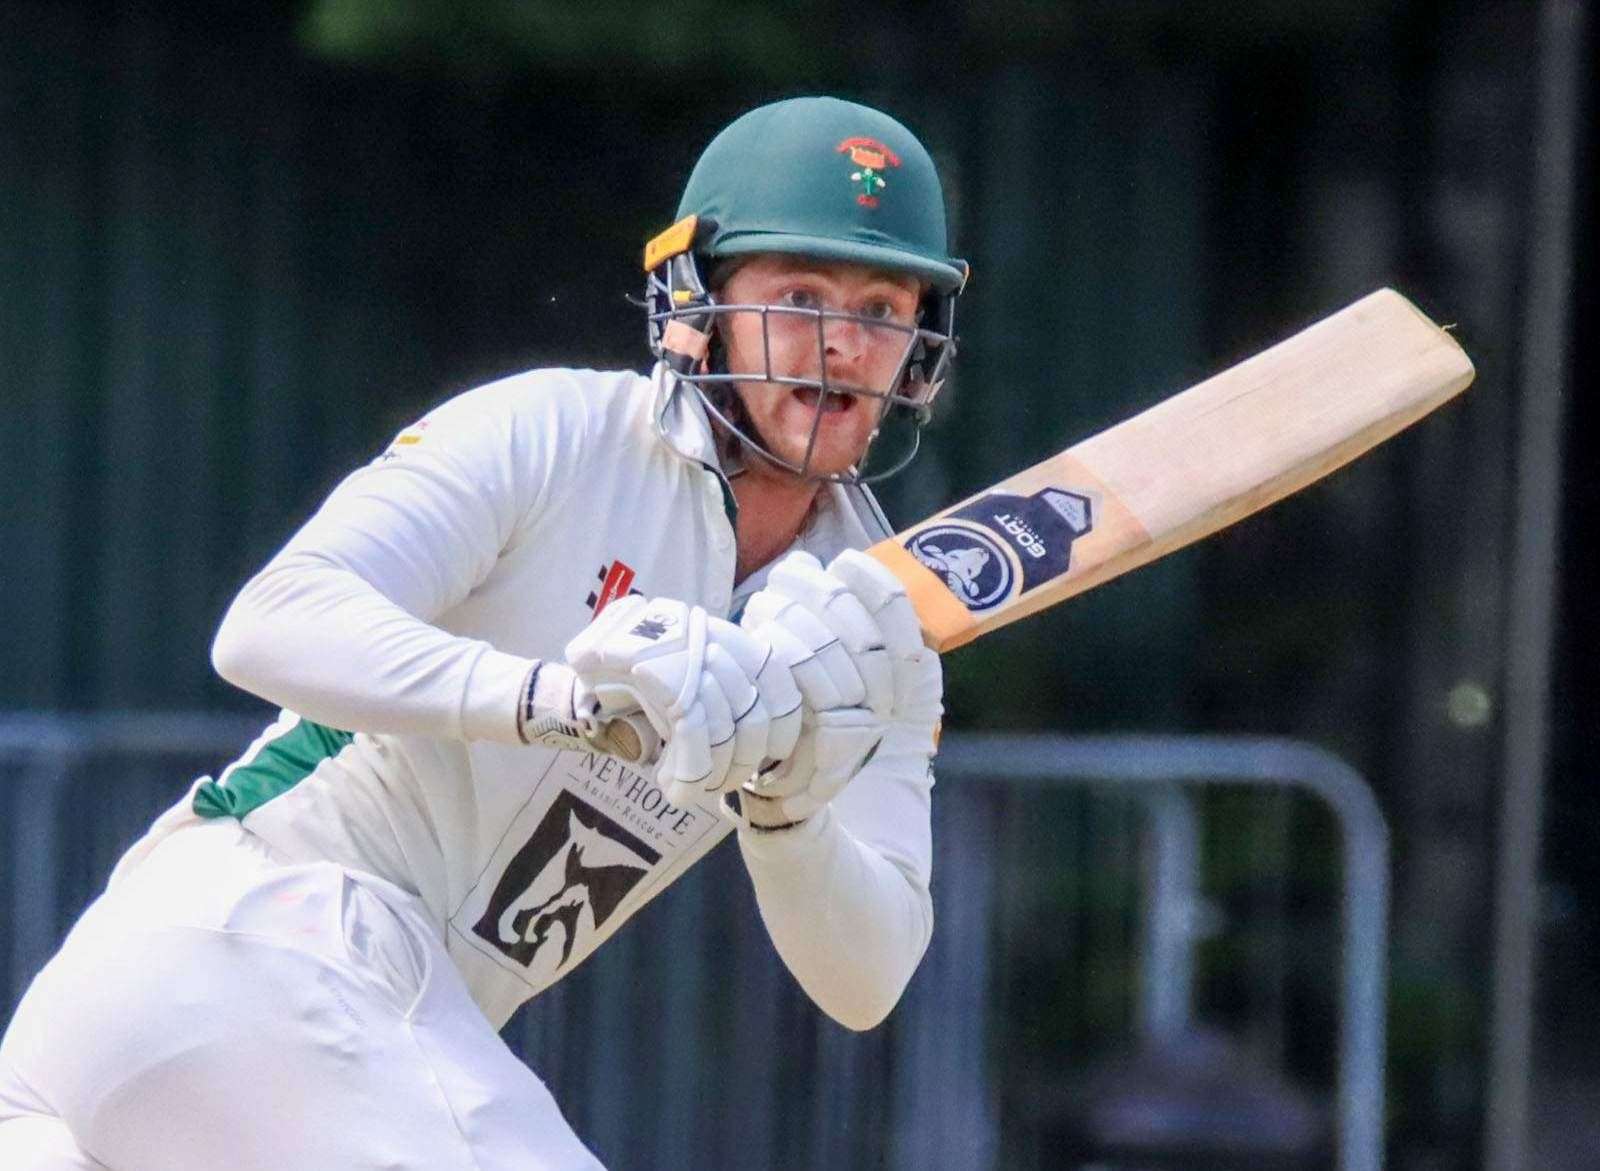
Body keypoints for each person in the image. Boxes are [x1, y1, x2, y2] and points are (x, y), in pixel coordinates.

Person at [0, 95, 967, 1170]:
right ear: (695, 306)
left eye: (881, 307)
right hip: (253, 937)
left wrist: (786, 810)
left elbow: (867, 975)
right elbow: (270, 625)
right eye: (798, 295)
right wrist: (565, 706)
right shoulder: (555, 431)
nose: (840, 345)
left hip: (305, 1063)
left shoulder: (874, 621)